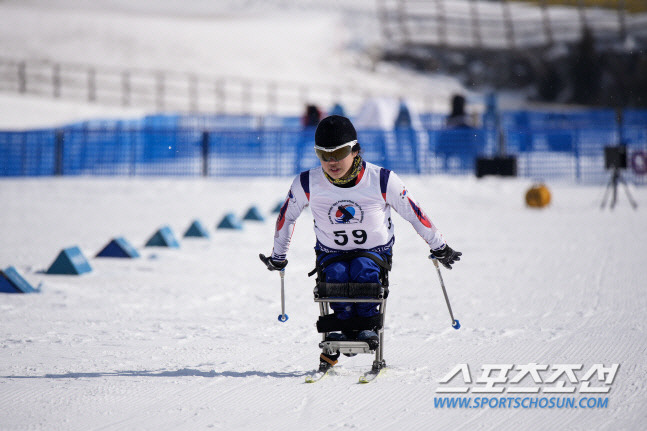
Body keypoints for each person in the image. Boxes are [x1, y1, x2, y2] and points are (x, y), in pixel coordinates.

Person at [260, 115, 461, 371]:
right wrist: (278, 256)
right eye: (323, 154)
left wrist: (439, 246)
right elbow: (286, 217)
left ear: (355, 150)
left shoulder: (382, 179)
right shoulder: (307, 183)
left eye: (339, 152)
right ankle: (341, 331)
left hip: (374, 252)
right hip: (331, 253)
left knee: (363, 269)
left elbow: (414, 212)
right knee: (337, 274)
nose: (331, 162)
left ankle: (367, 327)